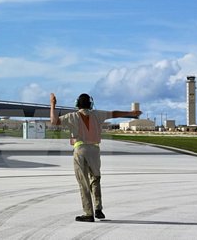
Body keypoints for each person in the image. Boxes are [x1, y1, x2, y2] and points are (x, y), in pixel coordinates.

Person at [50, 93, 141, 222]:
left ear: (77, 104)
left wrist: (53, 104)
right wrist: (131, 113)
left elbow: (54, 121)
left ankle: (88, 213)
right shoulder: (97, 114)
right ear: (90, 104)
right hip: (95, 150)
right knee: (96, 178)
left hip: (80, 149)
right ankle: (98, 209)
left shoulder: (72, 116)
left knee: (84, 182)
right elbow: (113, 113)